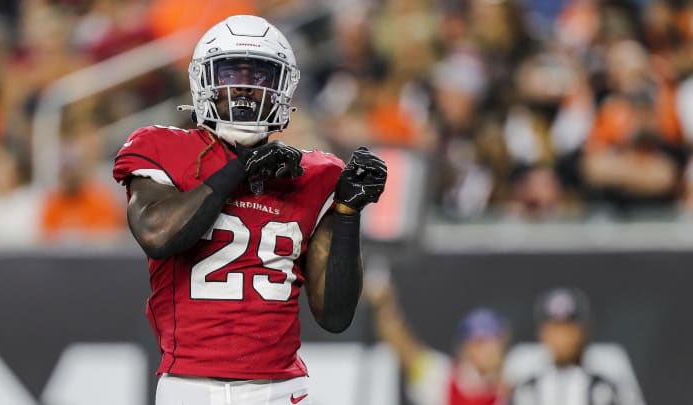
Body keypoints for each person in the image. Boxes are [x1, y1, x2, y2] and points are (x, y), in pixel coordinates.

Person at [111, 15, 387, 405]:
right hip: (192, 387)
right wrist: (240, 169)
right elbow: (158, 234)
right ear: (204, 81)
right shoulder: (164, 148)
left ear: (281, 88)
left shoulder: (317, 173)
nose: (242, 89)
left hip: (282, 389)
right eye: (229, 74)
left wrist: (346, 212)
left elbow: (336, 316)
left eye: (259, 77)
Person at [366, 266, 509, 405]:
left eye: (496, 341)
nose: (492, 349)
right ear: (465, 348)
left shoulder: (515, 384)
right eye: (481, 342)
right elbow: (404, 350)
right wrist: (384, 305)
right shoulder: (442, 377)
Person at [509, 287, 632, 405]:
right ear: (542, 333)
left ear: (583, 332)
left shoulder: (601, 389)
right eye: (555, 329)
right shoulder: (527, 389)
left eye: (568, 329)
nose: (562, 338)